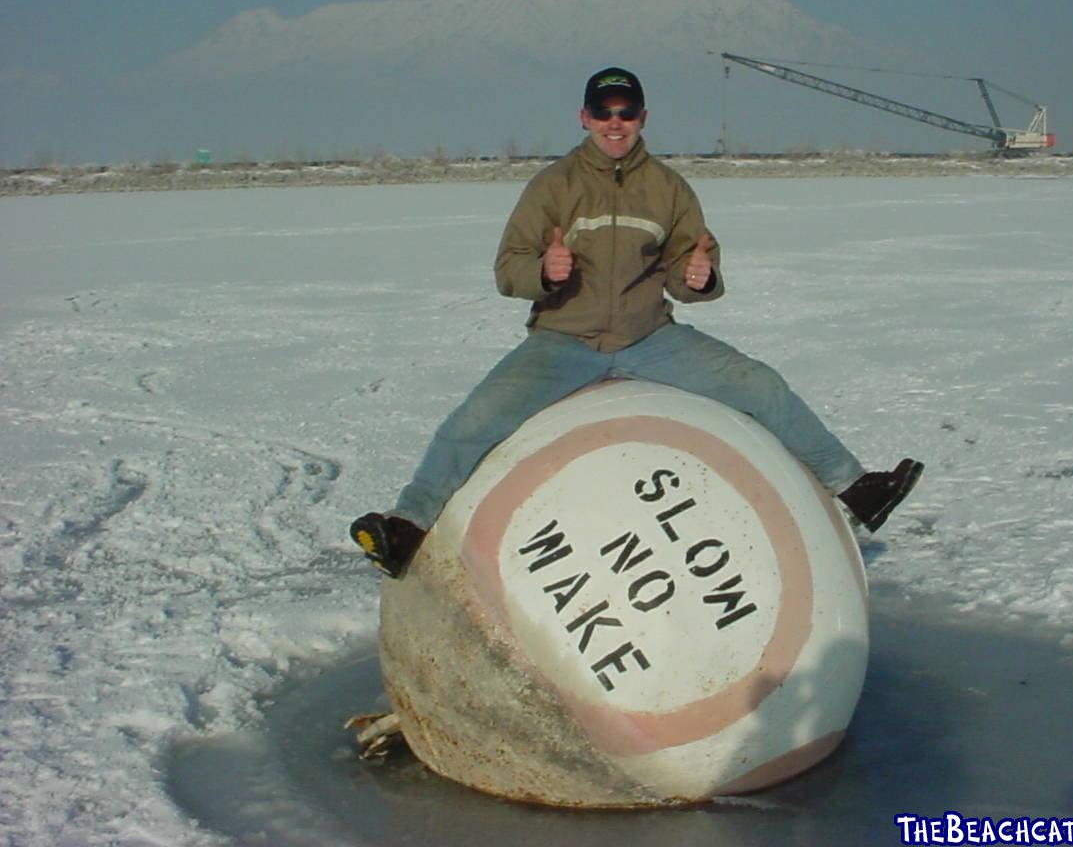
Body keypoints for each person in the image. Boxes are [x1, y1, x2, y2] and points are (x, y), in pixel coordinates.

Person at [351, 67, 923, 578]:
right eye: (604, 112)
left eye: (626, 112)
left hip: (651, 338)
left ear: (642, 117)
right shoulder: (553, 187)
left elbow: (687, 265)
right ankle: (407, 528)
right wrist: (545, 274)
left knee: (760, 386)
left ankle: (857, 488)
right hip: (563, 341)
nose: (615, 122)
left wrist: (699, 278)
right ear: (584, 117)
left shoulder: (668, 188)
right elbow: (508, 270)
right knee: (474, 420)